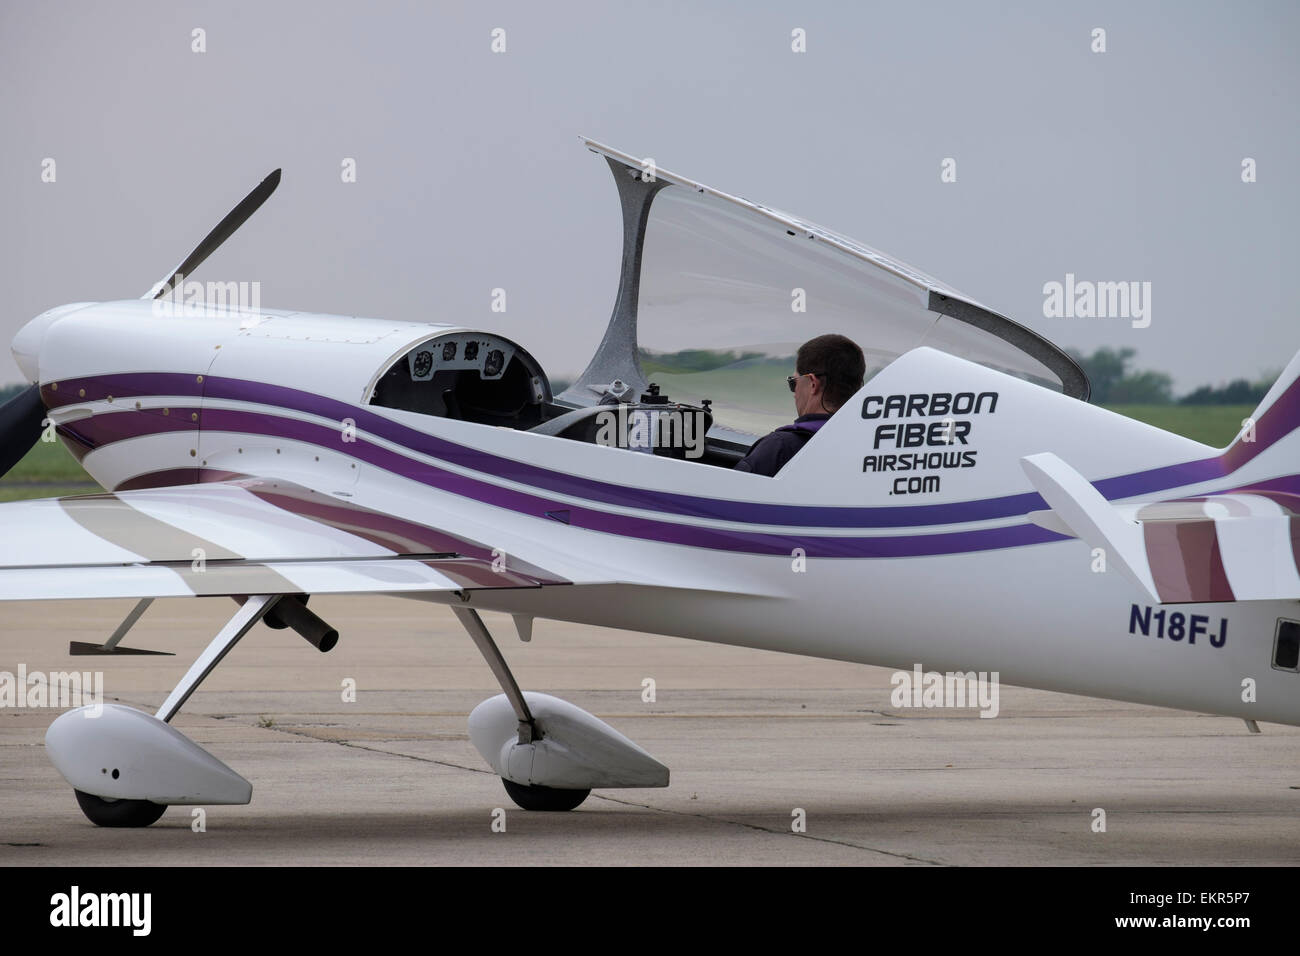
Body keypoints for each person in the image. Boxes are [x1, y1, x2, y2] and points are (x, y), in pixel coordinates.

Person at [733, 333, 865, 477]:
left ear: (813, 383)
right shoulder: (866, 449)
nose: (794, 393)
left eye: (793, 382)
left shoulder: (779, 448)